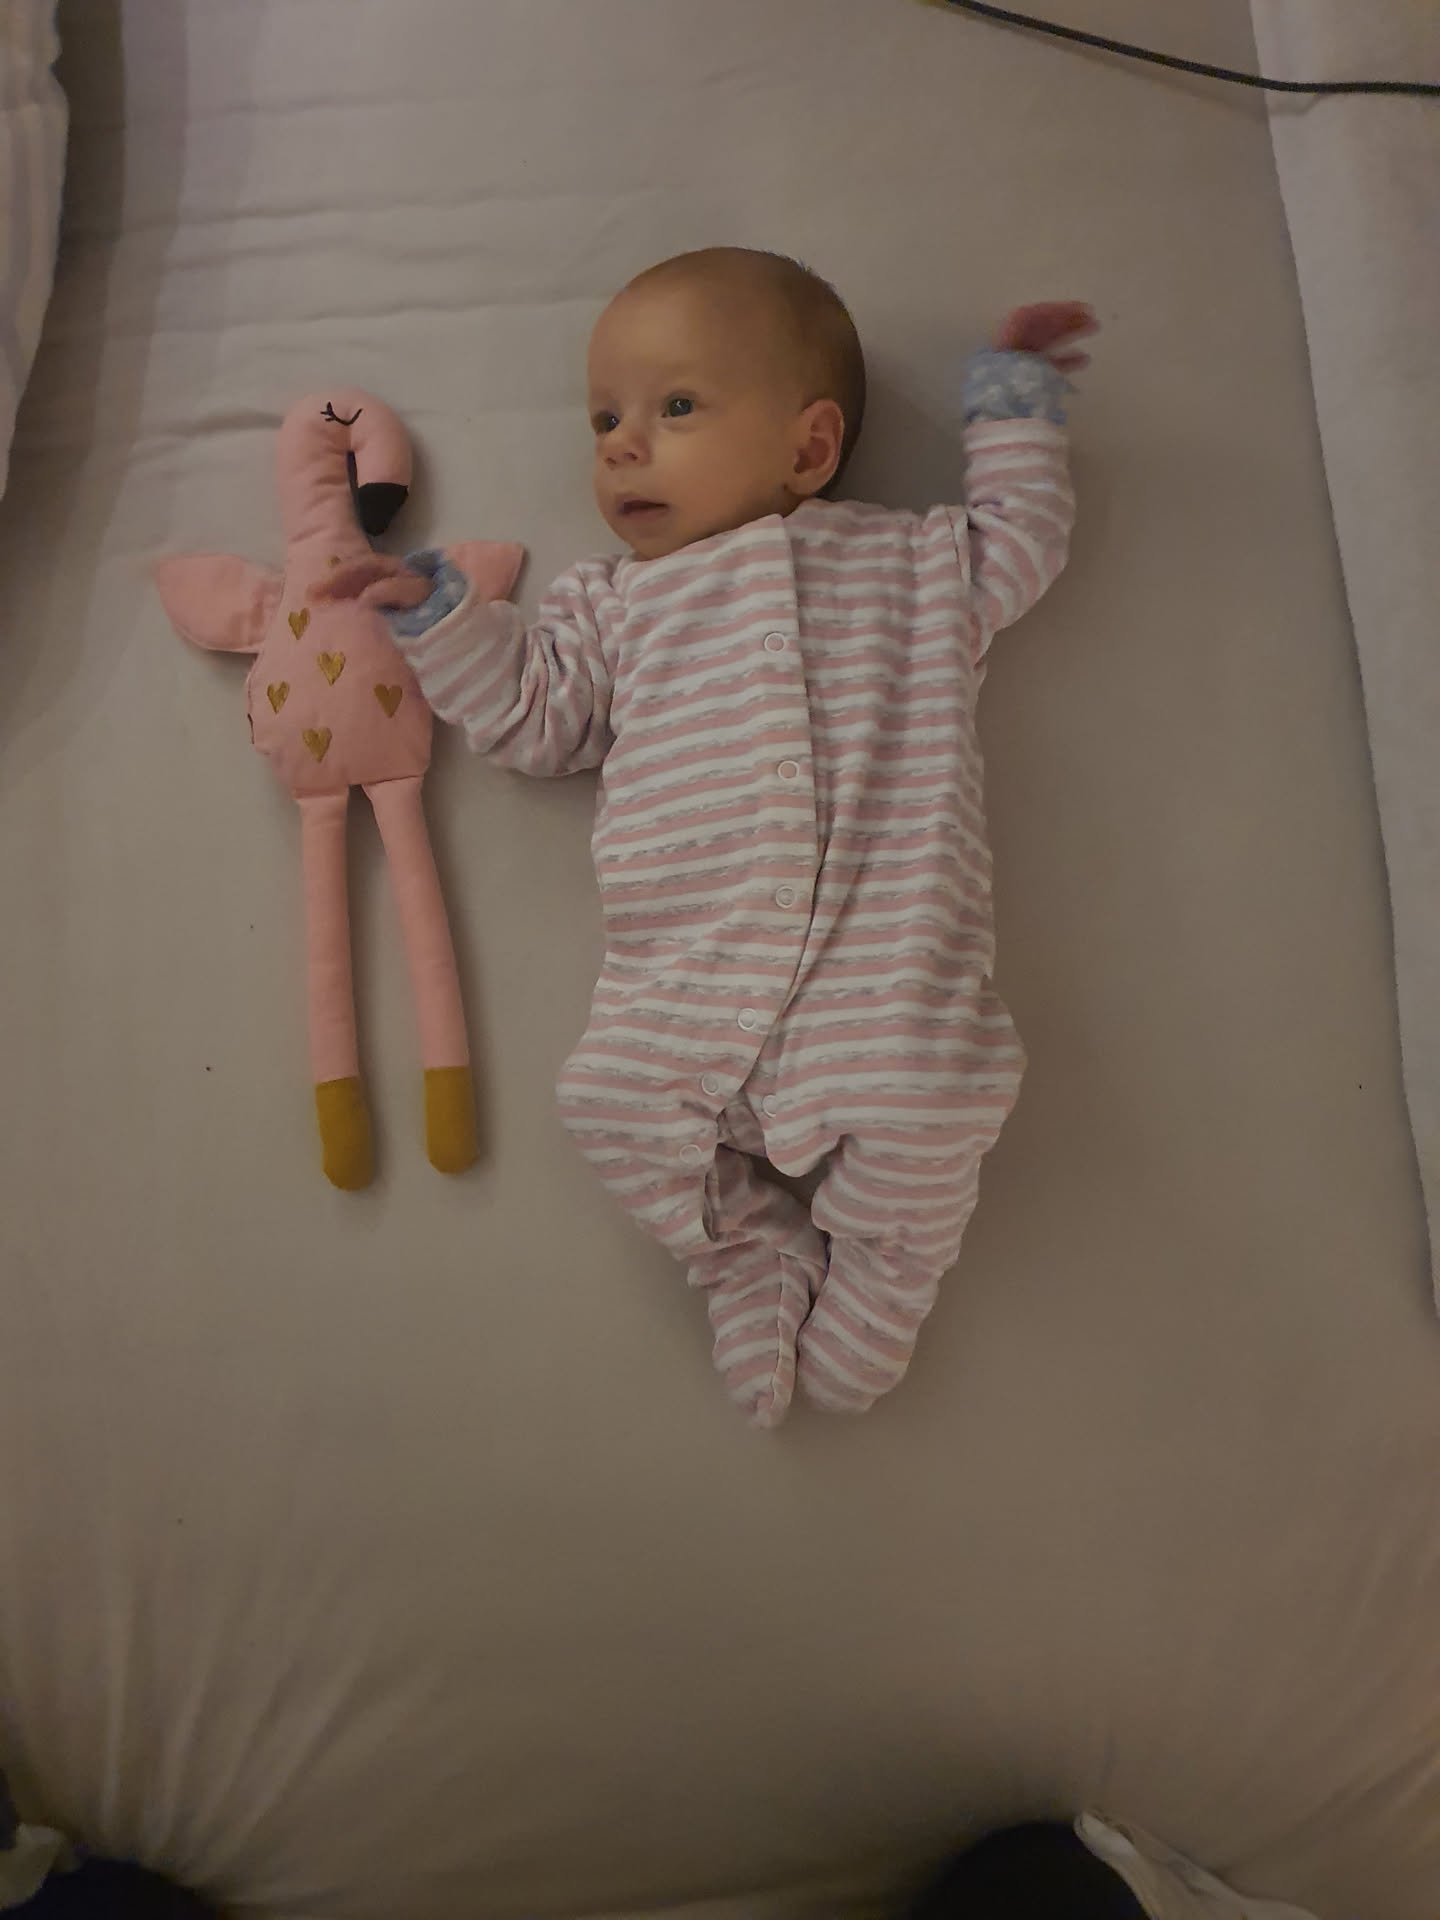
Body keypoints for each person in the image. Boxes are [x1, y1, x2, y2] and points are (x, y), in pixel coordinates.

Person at [319, 248, 1096, 1427]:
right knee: (605, 1105)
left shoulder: (913, 562)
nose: (622, 446)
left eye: (674, 408)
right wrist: (441, 622)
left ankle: (888, 1265)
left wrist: (1016, 402)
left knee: (934, 1100)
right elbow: (534, 719)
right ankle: (744, 1251)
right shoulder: (613, 603)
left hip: (884, 974)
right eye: (604, 419)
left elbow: (1020, 541)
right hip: (683, 985)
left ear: (811, 447)